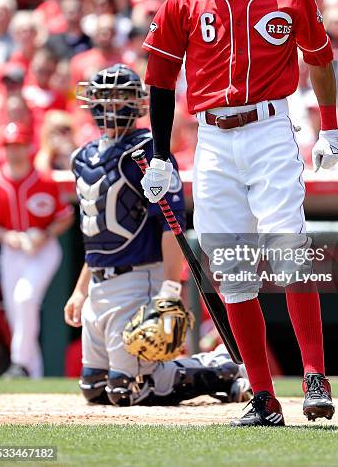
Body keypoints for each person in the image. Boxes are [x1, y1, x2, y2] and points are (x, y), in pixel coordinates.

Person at [141, 0, 338, 426]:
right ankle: (262, 396)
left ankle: (315, 375)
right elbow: (160, 80)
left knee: (288, 249)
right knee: (231, 270)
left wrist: (331, 127)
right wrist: (162, 155)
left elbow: (320, 59)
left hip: (271, 130)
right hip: (211, 139)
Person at [64, 63, 251, 406]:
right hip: (98, 286)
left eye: (119, 97)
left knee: (128, 390)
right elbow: (96, 235)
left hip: (138, 278)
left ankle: (221, 368)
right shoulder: (83, 158)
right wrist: (79, 291)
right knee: (94, 389)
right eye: (103, 98)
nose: (110, 107)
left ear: (136, 103)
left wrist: (169, 286)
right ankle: (215, 371)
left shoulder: (148, 149)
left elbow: (170, 222)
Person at [0, 122, 74, 377]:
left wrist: (44, 234)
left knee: (25, 298)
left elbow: (65, 216)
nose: (14, 152)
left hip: (43, 249)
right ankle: (31, 372)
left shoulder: (44, 180)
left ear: (29, 147)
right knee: (17, 312)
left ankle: (19, 364)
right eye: (9, 146)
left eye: (18, 146)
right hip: (12, 249)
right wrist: (7, 235)